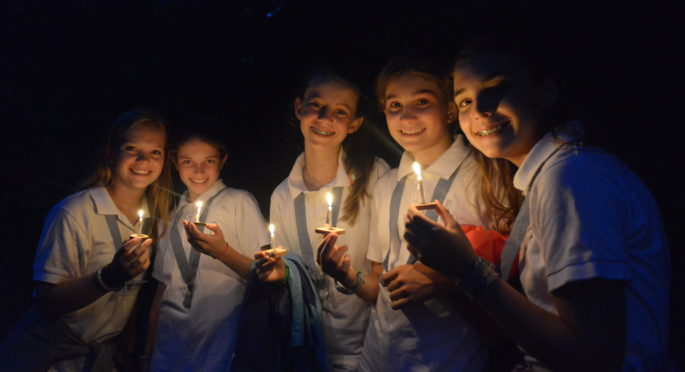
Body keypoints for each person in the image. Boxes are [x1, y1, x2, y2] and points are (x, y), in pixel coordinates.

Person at [404, 38, 672, 371]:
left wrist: (467, 271)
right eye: (465, 100)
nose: (479, 110)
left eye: (498, 87)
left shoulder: (573, 177)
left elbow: (593, 358)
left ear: (546, 91)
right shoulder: (557, 174)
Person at [317, 57, 494, 371]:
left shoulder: (483, 176)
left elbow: (514, 287)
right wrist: (346, 275)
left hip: (450, 359)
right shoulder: (387, 184)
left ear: (450, 110)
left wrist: (446, 282)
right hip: (379, 356)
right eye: (394, 104)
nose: (406, 114)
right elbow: (380, 284)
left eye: (422, 101)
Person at [0, 109, 172, 372]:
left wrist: (129, 351)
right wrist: (109, 277)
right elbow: (47, 301)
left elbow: (130, 299)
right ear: (112, 153)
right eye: (131, 147)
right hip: (51, 357)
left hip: (100, 358)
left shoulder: (154, 222)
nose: (143, 159)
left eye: (155, 152)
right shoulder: (76, 211)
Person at [259, 67, 389, 371]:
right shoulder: (282, 195)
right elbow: (292, 275)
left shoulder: (374, 177)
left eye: (340, 112)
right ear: (298, 108)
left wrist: (347, 276)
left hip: (369, 349)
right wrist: (278, 273)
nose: (325, 118)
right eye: (316, 105)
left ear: (355, 123)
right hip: (308, 350)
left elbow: (383, 280)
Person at [144, 130, 269, 371]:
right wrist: (147, 354)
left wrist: (222, 251)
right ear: (175, 162)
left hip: (220, 347)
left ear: (223, 161)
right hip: (169, 350)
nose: (198, 171)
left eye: (208, 162)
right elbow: (161, 292)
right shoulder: (170, 216)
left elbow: (263, 275)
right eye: (188, 162)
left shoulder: (238, 202)